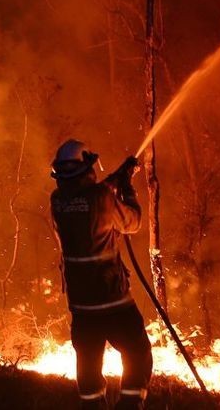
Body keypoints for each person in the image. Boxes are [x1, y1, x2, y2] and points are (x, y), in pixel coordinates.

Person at [49, 139, 153, 410]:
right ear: (86, 169)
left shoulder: (58, 201)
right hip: (113, 300)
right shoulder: (102, 198)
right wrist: (127, 188)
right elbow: (133, 222)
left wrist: (118, 175)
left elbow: (90, 197)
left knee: (88, 362)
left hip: (81, 305)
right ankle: (130, 405)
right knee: (137, 352)